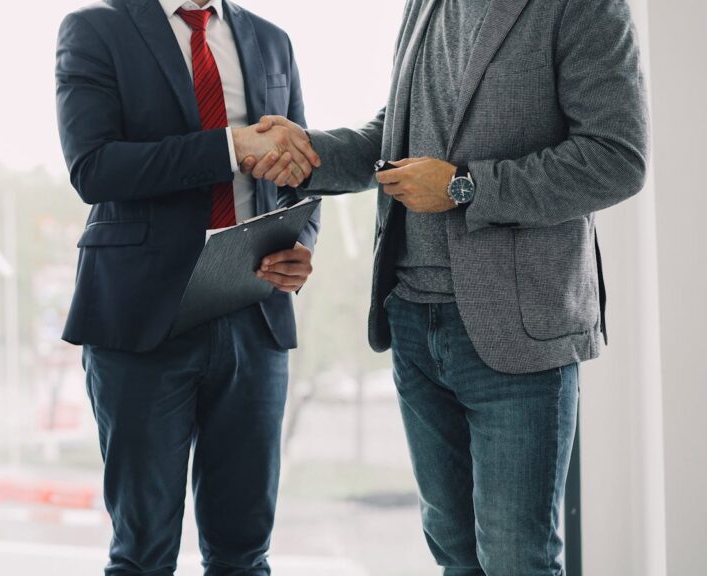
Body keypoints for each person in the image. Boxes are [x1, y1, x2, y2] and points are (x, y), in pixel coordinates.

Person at [246, 0, 649, 573]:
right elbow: (396, 136)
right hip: (413, 319)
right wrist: (308, 152)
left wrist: (466, 187)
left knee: (517, 560)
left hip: (519, 333)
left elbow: (617, 157)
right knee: (456, 558)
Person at [55, 1, 321, 574]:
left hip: (254, 314)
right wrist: (230, 148)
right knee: (144, 553)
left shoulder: (272, 41)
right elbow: (93, 167)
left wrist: (304, 245)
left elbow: (301, 171)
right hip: (142, 319)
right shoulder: (96, 28)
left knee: (244, 553)